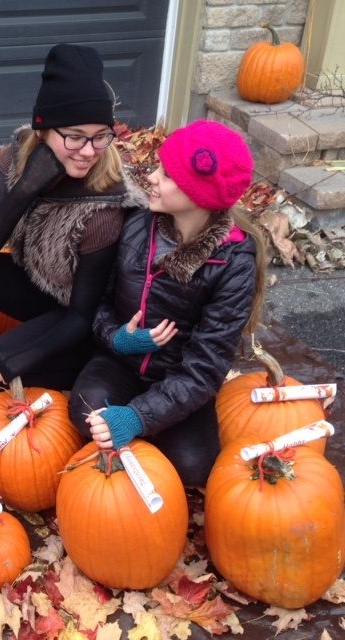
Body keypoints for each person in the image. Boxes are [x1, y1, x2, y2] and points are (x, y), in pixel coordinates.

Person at [0, 43, 147, 406]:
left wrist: (24, 357)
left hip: (84, 321)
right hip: (38, 285)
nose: (88, 151)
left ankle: (68, 371)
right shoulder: (15, 160)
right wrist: (26, 188)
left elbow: (82, 315)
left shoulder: (104, 204)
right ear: (43, 130)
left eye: (101, 136)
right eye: (75, 136)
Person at [69, 119, 267, 487]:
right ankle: (132, 441)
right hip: (120, 364)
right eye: (158, 167)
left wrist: (138, 417)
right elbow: (93, 302)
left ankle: (143, 428)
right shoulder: (135, 226)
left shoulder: (233, 263)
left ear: (200, 195)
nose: (152, 178)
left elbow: (205, 368)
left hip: (180, 379)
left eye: (167, 174)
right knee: (86, 412)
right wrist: (117, 338)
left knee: (193, 468)